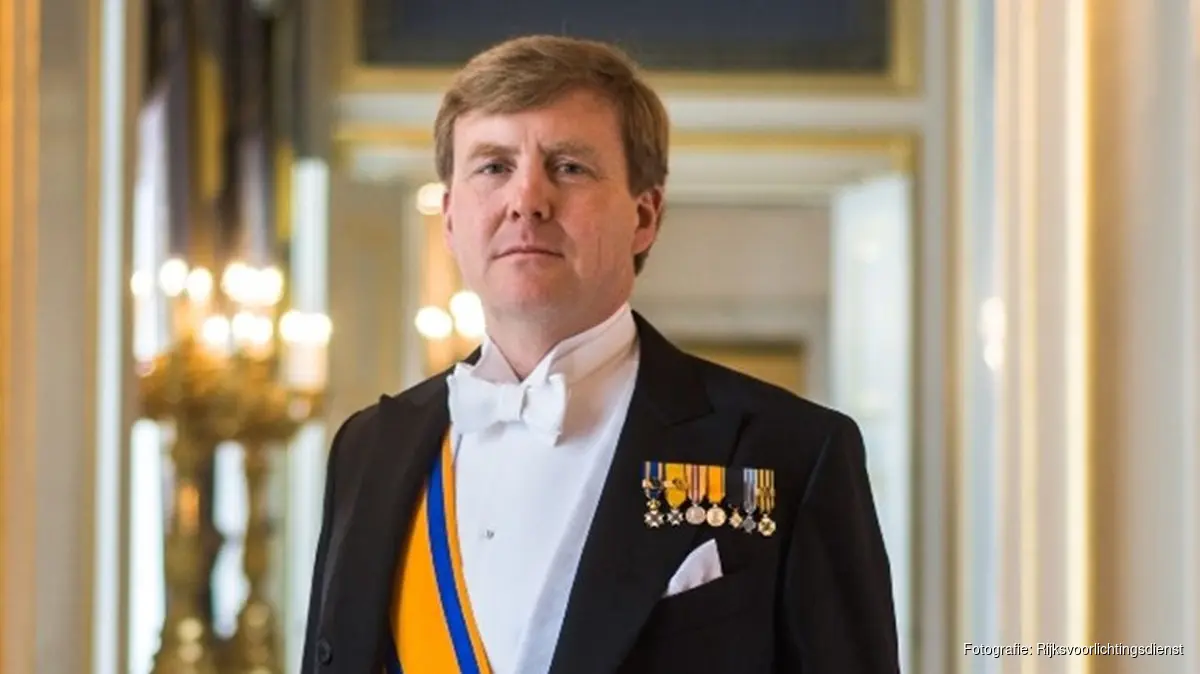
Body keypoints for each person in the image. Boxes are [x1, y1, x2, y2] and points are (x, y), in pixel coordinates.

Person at [301, 35, 900, 674]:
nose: (526, 200)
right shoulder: (368, 449)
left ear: (645, 216)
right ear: (450, 217)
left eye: (569, 167)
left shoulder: (793, 452)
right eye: (494, 167)